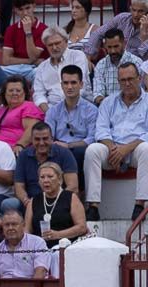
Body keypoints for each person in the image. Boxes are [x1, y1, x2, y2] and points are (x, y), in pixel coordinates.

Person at [84, 61, 148, 222]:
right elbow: (101, 129)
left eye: (131, 79)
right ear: (118, 81)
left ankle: (140, 204)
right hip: (111, 149)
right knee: (92, 150)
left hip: (136, 149)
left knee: (147, 148)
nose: (127, 83)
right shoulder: (108, 102)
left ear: (139, 78)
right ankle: (93, 206)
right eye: (123, 80)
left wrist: (126, 149)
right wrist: (114, 149)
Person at [45, 65, 97, 198]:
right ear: (61, 85)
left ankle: (79, 194)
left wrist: (69, 146)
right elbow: (47, 136)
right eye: (66, 83)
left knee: (80, 152)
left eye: (73, 82)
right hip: (58, 148)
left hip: (80, 149)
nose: (69, 87)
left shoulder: (91, 110)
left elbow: (92, 138)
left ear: (81, 84)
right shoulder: (53, 111)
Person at [13, 122, 79, 206]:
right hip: (30, 202)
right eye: (37, 139)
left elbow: (73, 186)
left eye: (45, 139)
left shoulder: (64, 153)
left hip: (58, 202)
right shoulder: (24, 155)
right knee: (9, 204)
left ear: (52, 138)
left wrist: (54, 203)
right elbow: (19, 186)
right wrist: (26, 201)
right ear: (31, 140)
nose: (41, 143)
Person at [26, 161, 87, 245]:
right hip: (40, 250)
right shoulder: (34, 201)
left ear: (59, 179)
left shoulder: (71, 198)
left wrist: (58, 234)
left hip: (66, 247)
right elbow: (27, 230)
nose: (46, 180)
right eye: (42, 177)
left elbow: (82, 227)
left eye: (50, 176)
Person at [0, 209, 54, 279]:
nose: (10, 228)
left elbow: (40, 272)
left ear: (23, 225)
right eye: (7, 225)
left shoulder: (37, 243)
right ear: (2, 227)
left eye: (14, 224)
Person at [32, 26, 87, 113]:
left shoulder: (77, 56)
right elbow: (38, 94)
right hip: (51, 109)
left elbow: (82, 88)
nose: (54, 47)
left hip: (78, 106)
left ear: (66, 42)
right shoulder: (42, 67)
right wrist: (49, 113)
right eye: (50, 45)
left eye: (57, 43)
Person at [0, 76, 44, 153]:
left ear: (25, 93)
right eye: (11, 90)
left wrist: (20, 145)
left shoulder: (29, 106)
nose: (14, 93)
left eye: (18, 90)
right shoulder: (0, 110)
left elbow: (32, 129)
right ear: (4, 93)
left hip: (14, 151)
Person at [0, 0, 48, 79]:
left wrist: (28, 32)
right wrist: (28, 61)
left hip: (33, 69)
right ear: (16, 11)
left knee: (38, 73)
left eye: (27, 8)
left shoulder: (43, 29)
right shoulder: (11, 29)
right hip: (16, 68)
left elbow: (33, 56)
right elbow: (6, 60)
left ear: (34, 7)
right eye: (21, 9)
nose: (25, 13)